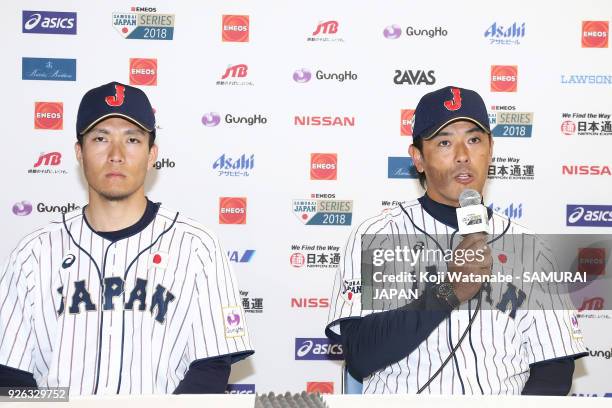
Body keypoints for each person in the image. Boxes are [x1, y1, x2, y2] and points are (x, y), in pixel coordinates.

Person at [326, 86, 587, 395]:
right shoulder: (377, 236)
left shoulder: (531, 248)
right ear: (418, 158)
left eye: (474, 140)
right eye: (445, 142)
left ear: (490, 150)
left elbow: (554, 370)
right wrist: (447, 293)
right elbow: (359, 353)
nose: (463, 156)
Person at [0, 82, 254, 395]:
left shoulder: (197, 247)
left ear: (151, 155)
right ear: (79, 152)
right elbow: (9, 376)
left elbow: (210, 368)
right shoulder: (34, 254)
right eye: (100, 138)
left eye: (132, 139)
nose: (116, 155)